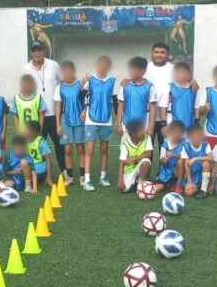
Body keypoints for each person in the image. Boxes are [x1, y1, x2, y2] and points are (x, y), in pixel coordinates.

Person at [23, 41, 64, 170]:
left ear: (44, 51)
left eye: (40, 49)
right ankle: (37, 173)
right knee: (36, 145)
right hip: (37, 116)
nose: (38, 53)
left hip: (54, 115)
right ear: (31, 52)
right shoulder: (26, 69)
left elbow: (62, 83)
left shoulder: (53, 65)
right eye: (35, 50)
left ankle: (64, 172)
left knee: (59, 145)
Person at [81, 55, 116, 190]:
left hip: (106, 120)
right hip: (91, 119)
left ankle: (103, 177)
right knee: (89, 150)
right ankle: (87, 180)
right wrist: (82, 84)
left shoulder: (112, 81)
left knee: (104, 149)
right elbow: (82, 97)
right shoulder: (90, 80)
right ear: (97, 65)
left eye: (105, 64)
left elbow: (115, 101)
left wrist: (119, 120)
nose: (103, 66)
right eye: (100, 63)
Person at [54, 61, 87, 186]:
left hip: (79, 121)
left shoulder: (81, 84)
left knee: (80, 148)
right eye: (64, 72)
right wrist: (58, 123)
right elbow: (58, 106)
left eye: (68, 71)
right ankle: (70, 177)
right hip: (65, 120)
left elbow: (87, 100)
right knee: (67, 149)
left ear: (73, 71)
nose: (66, 74)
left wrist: (85, 110)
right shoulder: (59, 88)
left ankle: (83, 176)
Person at [117, 57, 155, 137]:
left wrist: (151, 127)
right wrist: (119, 125)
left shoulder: (149, 87)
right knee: (126, 148)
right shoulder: (125, 86)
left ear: (142, 71)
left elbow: (152, 108)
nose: (131, 72)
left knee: (143, 149)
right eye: (130, 69)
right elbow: (120, 106)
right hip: (126, 125)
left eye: (134, 70)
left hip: (143, 126)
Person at [144, 42, 174, 142]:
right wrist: (126, 80)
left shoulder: (174, 69)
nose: (159, 55)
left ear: (168, 54)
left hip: (167, 118)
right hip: (147, 117)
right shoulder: (144, 68)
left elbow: (184, 82)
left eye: (162, 52)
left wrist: (192, 81)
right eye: (156, 52)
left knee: (165, 151)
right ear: (151, 54)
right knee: (147, 150)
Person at [117, 119, 153, 193]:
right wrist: (120, 180)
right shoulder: (125, 144)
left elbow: (148, 154)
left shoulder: (147, 138)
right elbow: (121, 163)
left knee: (146, 162)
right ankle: (134, 183)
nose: (144, 131)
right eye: (141, 130)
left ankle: (140, 185)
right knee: (124, 189)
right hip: (129, 171)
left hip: (140, 166)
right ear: (133, 134)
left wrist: (135, 158)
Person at [166, 61, 203, 130]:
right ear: (174, 74)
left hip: (190, 124)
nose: (181, 75)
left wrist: (197, 120)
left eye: (183, 72)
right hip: (173, 124)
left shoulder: (194, 89)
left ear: (188, 74)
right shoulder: (169, 87)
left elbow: (196, 106)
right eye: (178, 72)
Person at [180, 123, 212, 199]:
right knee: (188, 193)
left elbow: (211, 157)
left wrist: (196, 158)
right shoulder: (186, 145)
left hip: (202, 174)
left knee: (206, 163)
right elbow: (186, 165)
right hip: (192, 175)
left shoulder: (205, 144)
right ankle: (195, 186)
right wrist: (190, 182)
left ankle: (203, 190)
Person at [156, 121, 186, 192]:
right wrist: (164, 161)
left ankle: (178, 184)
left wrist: (173, 155)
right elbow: (162, 162)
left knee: (181, 161)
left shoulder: (185, 143)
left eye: (178, 133)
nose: (176, 135)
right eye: (173, 132)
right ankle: (169, 185)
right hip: (166, 173)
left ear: (182, 133)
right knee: (158, 188)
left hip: (178, 171)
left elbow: (184, 157)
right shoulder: (165, 145)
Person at [24, 121, 53, 193]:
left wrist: (49, 177)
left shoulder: (41, 141)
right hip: (31, 168)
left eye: (26, 129)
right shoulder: (24, 141)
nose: (24, 131)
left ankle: (30, 183)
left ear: (33, 132)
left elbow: (48, 159)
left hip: (40, 169)